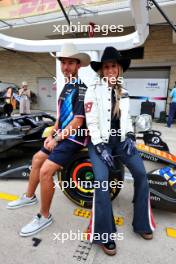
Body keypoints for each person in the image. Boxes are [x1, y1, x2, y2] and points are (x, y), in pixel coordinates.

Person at [7, 43, 91, 237]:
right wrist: (52, 133)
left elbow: (77, 122)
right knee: (37, 159)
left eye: (71, 63)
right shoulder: (66, 87)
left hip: (75, 139)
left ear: (78, 66)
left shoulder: (81, 89)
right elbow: (61, 118)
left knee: (46, 171)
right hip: (62, 136)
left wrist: (57, 138)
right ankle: (29, 197)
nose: (66, 67)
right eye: (63, 62)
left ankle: (44, 216)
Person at [84, 47, 156, 256]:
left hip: (121, 143)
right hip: (101, 144)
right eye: (106, 67)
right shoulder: (93, 90)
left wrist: (131, 136)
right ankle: (104, 234)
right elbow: (92, 122)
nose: (110, 70)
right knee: (101, 182)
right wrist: (98, 145)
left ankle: (142, 223)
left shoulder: (124, 91)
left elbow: (127, 119)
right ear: (102, 71)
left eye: (113, 66)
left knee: (142, 175)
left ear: (119, 68)